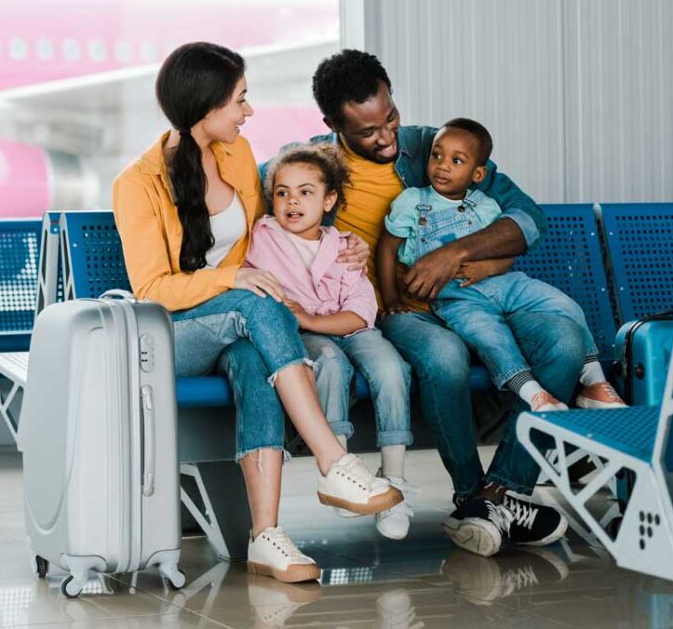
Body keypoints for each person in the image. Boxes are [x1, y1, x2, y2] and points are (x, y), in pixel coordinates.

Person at [112, 42, 402, 584]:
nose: (249, 112)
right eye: (240, 99)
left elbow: (298, 213)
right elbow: (152, 288)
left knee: (253, 361)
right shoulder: (136, 184)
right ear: (206, 105)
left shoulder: (238, 155)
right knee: (254, 303)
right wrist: (232, 278)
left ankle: (265, 535)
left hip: (241, 325)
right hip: (175, 334)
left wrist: (347, 248)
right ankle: (333, 461)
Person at [290, 48, 575, 558]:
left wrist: (457, 254)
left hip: (474, 293)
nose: (386, 137)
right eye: (368, 132)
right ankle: (471, 493)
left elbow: (528, 218)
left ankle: (500, 492)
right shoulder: (312, 163)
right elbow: (258, 202)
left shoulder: (432, 146)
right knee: (444, 357)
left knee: (565, 341)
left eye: (390, 118)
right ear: (333, 125)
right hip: (393, 311)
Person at [377, 117, 627, 413]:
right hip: (458, 300)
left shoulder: (484, 205)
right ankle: (535, 395)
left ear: (478, 173)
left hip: (505, 284)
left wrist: (491, 267)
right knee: (492, 338)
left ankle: (594, 382)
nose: (442, 165)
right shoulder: (412, 202)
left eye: (457, 161)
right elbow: (386, 249)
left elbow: (508, 248)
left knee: (565, 305)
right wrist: (391, 299)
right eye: (436, 155)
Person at [244, 142, 415, 540]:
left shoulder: (343, 245)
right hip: (301, 336)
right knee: (330, 364)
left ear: (329, 199)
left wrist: (310, 316)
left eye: (306, 192)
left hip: (346, 327)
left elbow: (360, 313)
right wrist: (305, 323)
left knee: (392, 368)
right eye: (283, 192)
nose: (292, 202)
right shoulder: (261, 236)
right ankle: (339, 472)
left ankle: (395, 478)